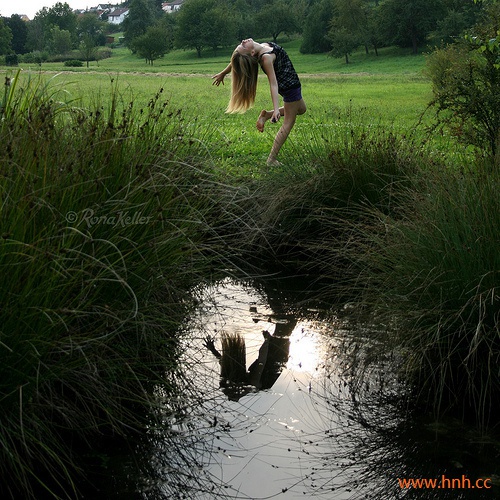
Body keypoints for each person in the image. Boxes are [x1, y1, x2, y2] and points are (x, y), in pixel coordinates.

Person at [212, 38, 307, 166]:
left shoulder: (259, 47)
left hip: (293, 85)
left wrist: (223, 73)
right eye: (242, 45)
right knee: (288, 123)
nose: (243, 41)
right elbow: (273, 84)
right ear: (251, 52)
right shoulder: (265, 58)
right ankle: (271, 159)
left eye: (241, 44)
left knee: (301, 109)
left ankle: (267, 115)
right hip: (290, 88)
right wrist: (276, 109)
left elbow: (237, 59)